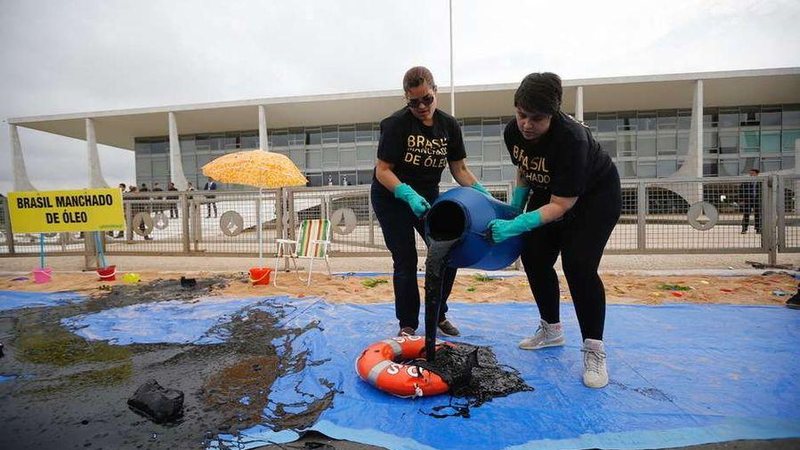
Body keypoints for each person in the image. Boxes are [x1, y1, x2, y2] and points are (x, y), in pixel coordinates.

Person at [487, 72, 621, 389]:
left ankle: (594, 349)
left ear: (553, 114)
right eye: (522, 115)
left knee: (578, 266)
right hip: (551, 193)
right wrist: (515, 210)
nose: (527, 125)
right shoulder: (514, 132)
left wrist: (516, 224)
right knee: (533, 255)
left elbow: (561, 205)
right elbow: (525, 169)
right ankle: (551, 329)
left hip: (594, 198)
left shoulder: (572, 140)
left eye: (537, 118)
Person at [371, 66, 489, 338]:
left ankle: (438, 314)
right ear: (406, 99)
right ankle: (408, 323)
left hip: (427, 198)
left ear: (436, 92)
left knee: (448, 253)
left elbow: (459, 170)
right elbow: (383, 170)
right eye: (414, 102)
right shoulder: (396, 124)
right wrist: (406, 194)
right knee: (405, 258)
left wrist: (485, 194)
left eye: (427, 99)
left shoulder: (448, 126)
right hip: (392, 196)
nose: (422, 106)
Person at [740, 168, 761, 234]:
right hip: (748, 200)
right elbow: (741, 191)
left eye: (752, 173)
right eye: (750, 173)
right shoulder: (746, 182)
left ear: (757, 174)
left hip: (757, 200)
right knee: (746, 214)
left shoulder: (761, 182)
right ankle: (744, 229)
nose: (751, 175)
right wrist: (741, 200)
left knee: (758, 215)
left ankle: (758, 229)